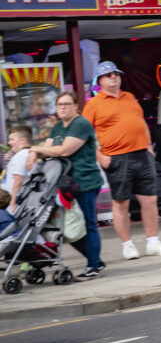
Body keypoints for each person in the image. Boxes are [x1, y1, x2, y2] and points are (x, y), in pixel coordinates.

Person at [82, 61, 161, 259]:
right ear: (100, 80)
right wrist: (100, 157)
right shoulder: (93, 105)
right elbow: (86, 136)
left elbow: (140, 121)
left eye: (116, 73)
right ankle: (127, 245)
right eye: (108, 75)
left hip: (142, 153)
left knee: (150, 199)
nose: (113, 77)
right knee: (121, 203)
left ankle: (153, 242)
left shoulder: (130, 97)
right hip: (116, 157)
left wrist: (149, 145)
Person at [27, 91, 105, 279]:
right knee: (67, 228)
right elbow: (47, 150)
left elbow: (64, 150)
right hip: (64, 185)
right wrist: (35, 152)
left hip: (84, 182)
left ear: (76, 106)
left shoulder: (81, 124)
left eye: (67, 104)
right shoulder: (57, 127)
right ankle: (95, 259)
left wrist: (36, 149)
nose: (62, 107)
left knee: (88, 224)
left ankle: (94, 265)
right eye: (60, 104)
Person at [0, 125, 32, 213]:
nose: (9, 143)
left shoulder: (21, 156)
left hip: (12, 206)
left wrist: (13, 202)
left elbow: (18, 181)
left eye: (12, 140)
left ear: (22, 141)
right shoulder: (22, 155)